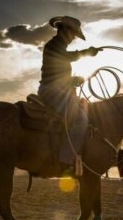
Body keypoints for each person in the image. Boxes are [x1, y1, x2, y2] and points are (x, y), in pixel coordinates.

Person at [38, 16, 102, 174]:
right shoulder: (53, 46)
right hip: (51, 90)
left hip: (56, 88)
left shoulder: (57, 47)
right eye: (73, 34)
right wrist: (87, 53)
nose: (73, 38)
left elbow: (56, 73)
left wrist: (72, 80)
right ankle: (64, 161)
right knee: (81, 119)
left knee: (85, 109)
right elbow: (63, 58)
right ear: (64, 30)